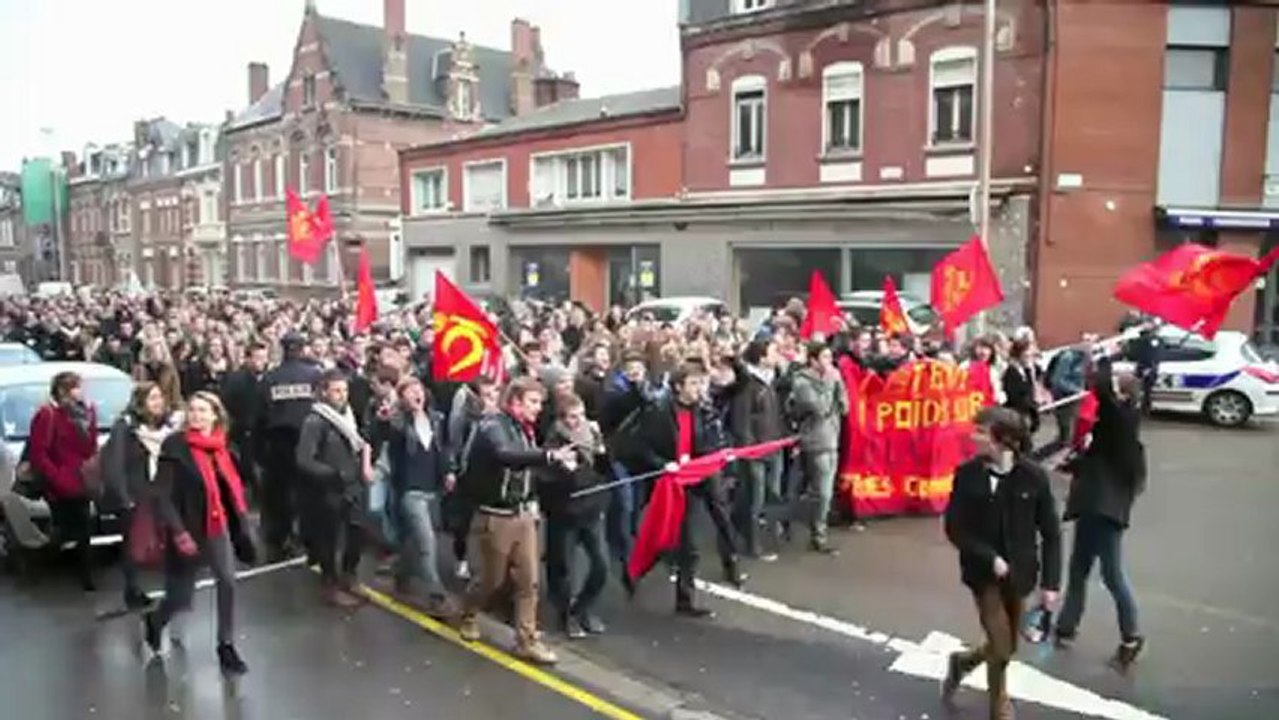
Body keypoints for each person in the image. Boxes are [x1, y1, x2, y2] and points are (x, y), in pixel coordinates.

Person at [942, 406, 1062, 720]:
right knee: (1001, 643)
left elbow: (1051, 533)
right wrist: (989, 557)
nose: (974, 437)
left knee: (1006, 647)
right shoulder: (967, 474)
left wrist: (1051, 584)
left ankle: (963, 662)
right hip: (982, 575)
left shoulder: (1033, 477)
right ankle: (999, 706)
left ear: (1003, 441)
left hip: (1021, 574)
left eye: (981, 432)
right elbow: (955, 527)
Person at [455, 377, 575, 665]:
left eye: (539, 402)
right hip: (495, 516)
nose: (538, 408)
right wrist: (548, 456)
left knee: (528, 581)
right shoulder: (492, 426)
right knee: (491, 580)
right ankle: (469, 612)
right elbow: (505, 456)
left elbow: (527, 471)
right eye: (532, 402)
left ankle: (526, 639)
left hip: (523, 514)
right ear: (515, 402)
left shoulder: (525, 429)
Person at [144, 391, 255, 676]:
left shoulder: (222, 447)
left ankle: (225, 645)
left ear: (215, 415)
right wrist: (179, 532)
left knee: (227, 581)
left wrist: (243, 526)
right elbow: (161, 494)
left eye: (203, 411)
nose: (196, 415)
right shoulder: (175, 446)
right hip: (187, 528)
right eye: (192, 410)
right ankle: (156, 620)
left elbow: (232, 489)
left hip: (216, 526)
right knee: (180, 596)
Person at [1055, 355, 1147, 666]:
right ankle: (1065, 627)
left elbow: (1101, 386)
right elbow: (1097, 458)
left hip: (1102, 511)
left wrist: (1103, 356)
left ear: (1122, 396)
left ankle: (1131, 635)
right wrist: (1072, 465)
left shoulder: (1118, 421)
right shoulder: (1120, 432)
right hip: (1097, 509)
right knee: (1079, 571)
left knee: (1111, 575)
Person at [633, 362, 744, 616]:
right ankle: (683, 597)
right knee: (688, 541)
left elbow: (712, 438)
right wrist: (663, 465)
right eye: (693, 384)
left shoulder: (703, 409)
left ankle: (732, 565)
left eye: (701, 383)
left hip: (702, 472)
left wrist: (718, 455)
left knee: (723, 518)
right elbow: (641, 447)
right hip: (679, 479)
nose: (699, 389)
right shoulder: (660, 411)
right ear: (678, 386)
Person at [296, 369, 373, 608]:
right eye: (336, 391)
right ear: (324, 392)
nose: (342, 396)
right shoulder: (315, 421)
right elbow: (304, 459)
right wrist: (332, 474)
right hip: (329, 489)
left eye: (344, 390)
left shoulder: (349, 415)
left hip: (353, 485)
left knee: (357, 533)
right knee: (328, 538)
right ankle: (330, 584)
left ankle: (349, 575)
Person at [100, 381, 181, 609]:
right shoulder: (125, 427)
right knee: (134, 544)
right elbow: (114, 465)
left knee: (168, 539)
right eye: (152, 398)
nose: (158, 403)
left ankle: (172, 587)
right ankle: (132, 589)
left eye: (159, 397)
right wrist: (124, 497)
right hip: (136, 494)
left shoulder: (168, 428)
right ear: (140, 403)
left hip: (163, 492)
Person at [541, 393, 611, 638]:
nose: (577, 422)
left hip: (591, 510)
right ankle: (567, 615)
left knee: (601, 565)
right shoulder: (554, 442)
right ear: (561, 419)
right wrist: (568, 470)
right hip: (565, 514)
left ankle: (583, 607)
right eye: (571, 417)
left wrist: (601, 451)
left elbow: (604, 471)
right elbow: (550, 480)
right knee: (564, 570)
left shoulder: (591, 434)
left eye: (580, 416)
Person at [385, 376, 455, 618]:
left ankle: (401, 573)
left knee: (414, 541)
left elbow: (444, 449)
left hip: (432, 489)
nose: (417, 394)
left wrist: (448, 472)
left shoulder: (436, 419)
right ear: (401, 398)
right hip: (410, 491)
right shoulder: (397, 422)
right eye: (409, 391)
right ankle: (437, 597)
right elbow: (386, 434)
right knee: (427, 543)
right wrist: (389, 416)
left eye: (419, 390)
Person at [27, 371, 99, 591]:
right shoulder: (47, 414)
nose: (81, 392)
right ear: (63, 391)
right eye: (76, 387)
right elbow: (39, 453)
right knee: (61, 530)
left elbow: (90, 448)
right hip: (58, 482)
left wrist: (89, 424)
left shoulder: (86, 413)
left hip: (81, 479)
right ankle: (37, 564)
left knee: (84, 528)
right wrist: (57, 477)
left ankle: (86, 576)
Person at [256, 332, 323, 561]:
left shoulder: (269, 378)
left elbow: (260, 416)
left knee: (280, 494)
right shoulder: (315, 376)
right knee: (309, 492)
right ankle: (310, 537)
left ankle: (280, 538)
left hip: (278, 443)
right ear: (303, 349)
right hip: (309, 441)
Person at [788, 342, 850, 554]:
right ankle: (818, 534)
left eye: (830, 357)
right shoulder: (802, 382)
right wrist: (829, 383)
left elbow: (844, 406)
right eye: (824, 357)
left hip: (832, 438)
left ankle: (793, 521)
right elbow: (820, 408)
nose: (829, 362)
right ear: (813, 360)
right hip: (814, 441)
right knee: (822, 492)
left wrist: (838, 384)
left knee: (819, 491)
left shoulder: (833, 378)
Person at [729, 338, 786, 560]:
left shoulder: (772, 381)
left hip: (774, 446)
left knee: (771, 496)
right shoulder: (748, 385)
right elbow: (741, 421)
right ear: (762, 357)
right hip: (755, 452)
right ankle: (753, 545)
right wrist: (748, 450)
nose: (777, 355)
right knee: (755, 498)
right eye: (773, 351)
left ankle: (753, 534)